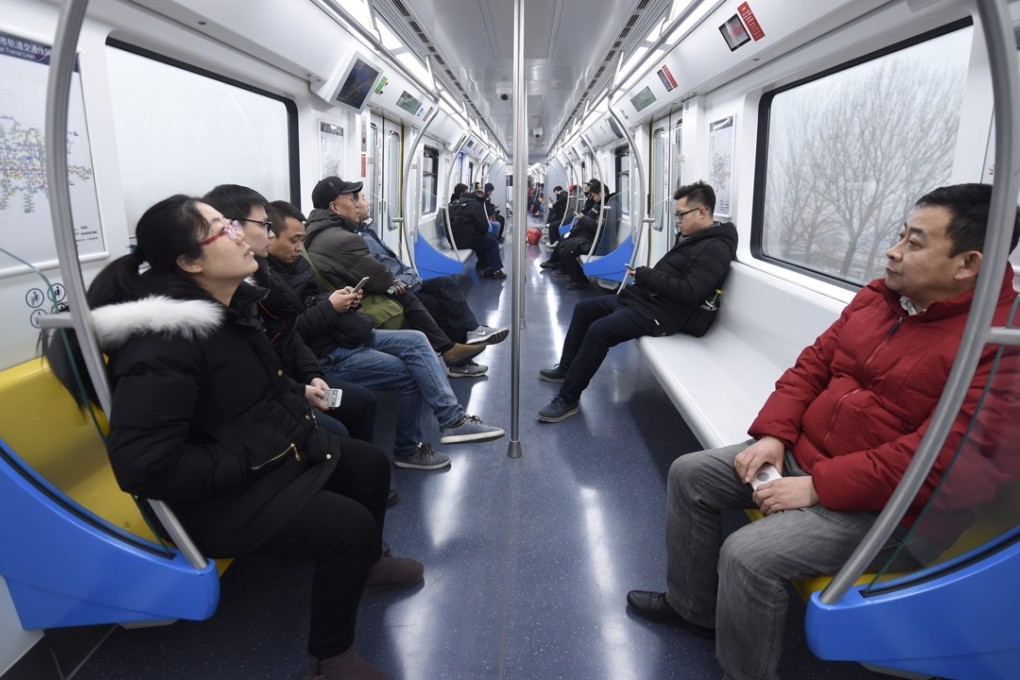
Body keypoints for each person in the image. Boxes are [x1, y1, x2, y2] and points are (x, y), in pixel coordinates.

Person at [626, 183, 1020, 680]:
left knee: (749, 555)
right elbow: (813, 366)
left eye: (914, 243)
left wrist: (819, 486)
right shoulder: (881, 299)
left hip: (896, 510)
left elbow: (951, 464)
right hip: (807, 458)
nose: (892, 252)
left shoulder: (1002, 345)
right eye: (900, 234)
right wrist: (774, 433)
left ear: (968, 264)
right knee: (692, 474)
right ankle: (694, 610)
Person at [46, 195, 423, 680]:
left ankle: (367, 568)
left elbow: (253, 394)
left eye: (231, 225)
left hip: (261, 462)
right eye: (222, 230)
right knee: (347, 528)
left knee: (367, 465)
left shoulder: (229, 311)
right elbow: (144, 465)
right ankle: (329, 659)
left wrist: (298, 409)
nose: (241, 236)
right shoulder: (164, 343)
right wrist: (252, 459)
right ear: (189, 262)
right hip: (214, 499)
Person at [262, 197, 506, 471]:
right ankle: (408, 449)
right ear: (270, 237)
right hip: (329, 351)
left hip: (343, 332)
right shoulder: (269, 283)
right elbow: (294, 333)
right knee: (407, 372)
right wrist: (331, 306)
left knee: (416, 339)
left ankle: (452, 420)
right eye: (293, 240)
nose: (299, 247)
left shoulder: (297, 264)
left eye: (301, 239)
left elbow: (313, 300)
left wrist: (336, 299)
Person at [537, 181, 737, 423]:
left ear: (702, 212)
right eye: (675, 215)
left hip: (663, 316)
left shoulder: (715, 247)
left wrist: (644, 275)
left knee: (599, 331)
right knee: (583, 310)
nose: (677, 220)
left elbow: (690, 291)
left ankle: (568, 399)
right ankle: (566, 368)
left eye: (681, 215)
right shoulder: (695, 238)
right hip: (646, 302)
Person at [203, 184, 378, 443]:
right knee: (340, 437)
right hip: (278, 391)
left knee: (363, 403)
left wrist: (312, 375)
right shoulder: (229, 299)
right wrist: (298, 390)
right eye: (265, 226)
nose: (271, 236)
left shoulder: (264, 277)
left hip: (293, 376)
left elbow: (288, 333)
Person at [304, 176, 485, 368]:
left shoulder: (320, 231)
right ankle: (451, 352)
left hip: (355, 294)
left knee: (440, 287)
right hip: (359, 305)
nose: (357, 204)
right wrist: (396, 281)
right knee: (430, 303)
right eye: (351, 199)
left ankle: (455, 348)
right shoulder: (343, 238)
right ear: (334, 207)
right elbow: (381, 277)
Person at [540, 178, 607, 289]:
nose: (592, 197)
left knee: (566, 249)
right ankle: (561, 267)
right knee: (563, 242)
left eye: (593, 195)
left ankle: (579, 280)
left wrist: (583, 218)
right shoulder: (596, 204)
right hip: (586, 233)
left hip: (592, 238)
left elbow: (595, 226)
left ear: (600, 193)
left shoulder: (603, 206)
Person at [449, 182, 507, 279]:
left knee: (483, 240)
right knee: (491, 242)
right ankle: (497, 270)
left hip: (454, 241)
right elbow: (483, 227)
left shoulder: (454, 203)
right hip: (467, 241)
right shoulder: (475, 205)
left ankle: (485, 266)